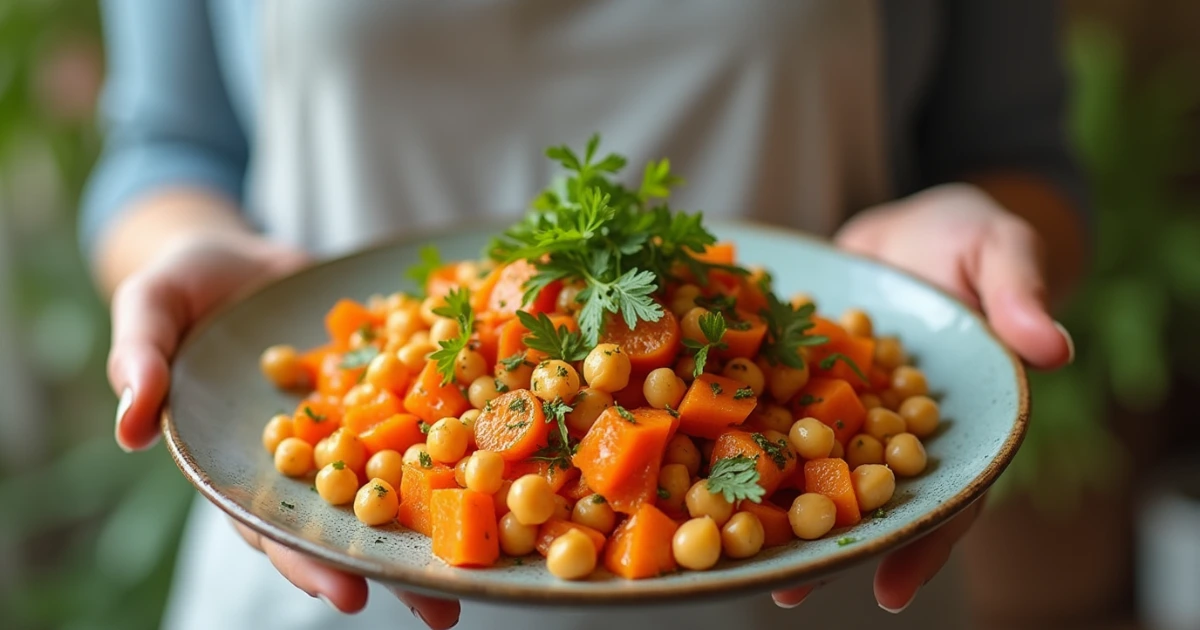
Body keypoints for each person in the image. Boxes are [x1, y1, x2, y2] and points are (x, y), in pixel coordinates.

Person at [84, 1, 1085, 629]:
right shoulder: (429, 405)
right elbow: (165, 149)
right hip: (327, 571)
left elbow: (1022, 153)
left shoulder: (800, 418)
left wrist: (975, 252)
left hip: (827, 591)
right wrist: (178, 254)